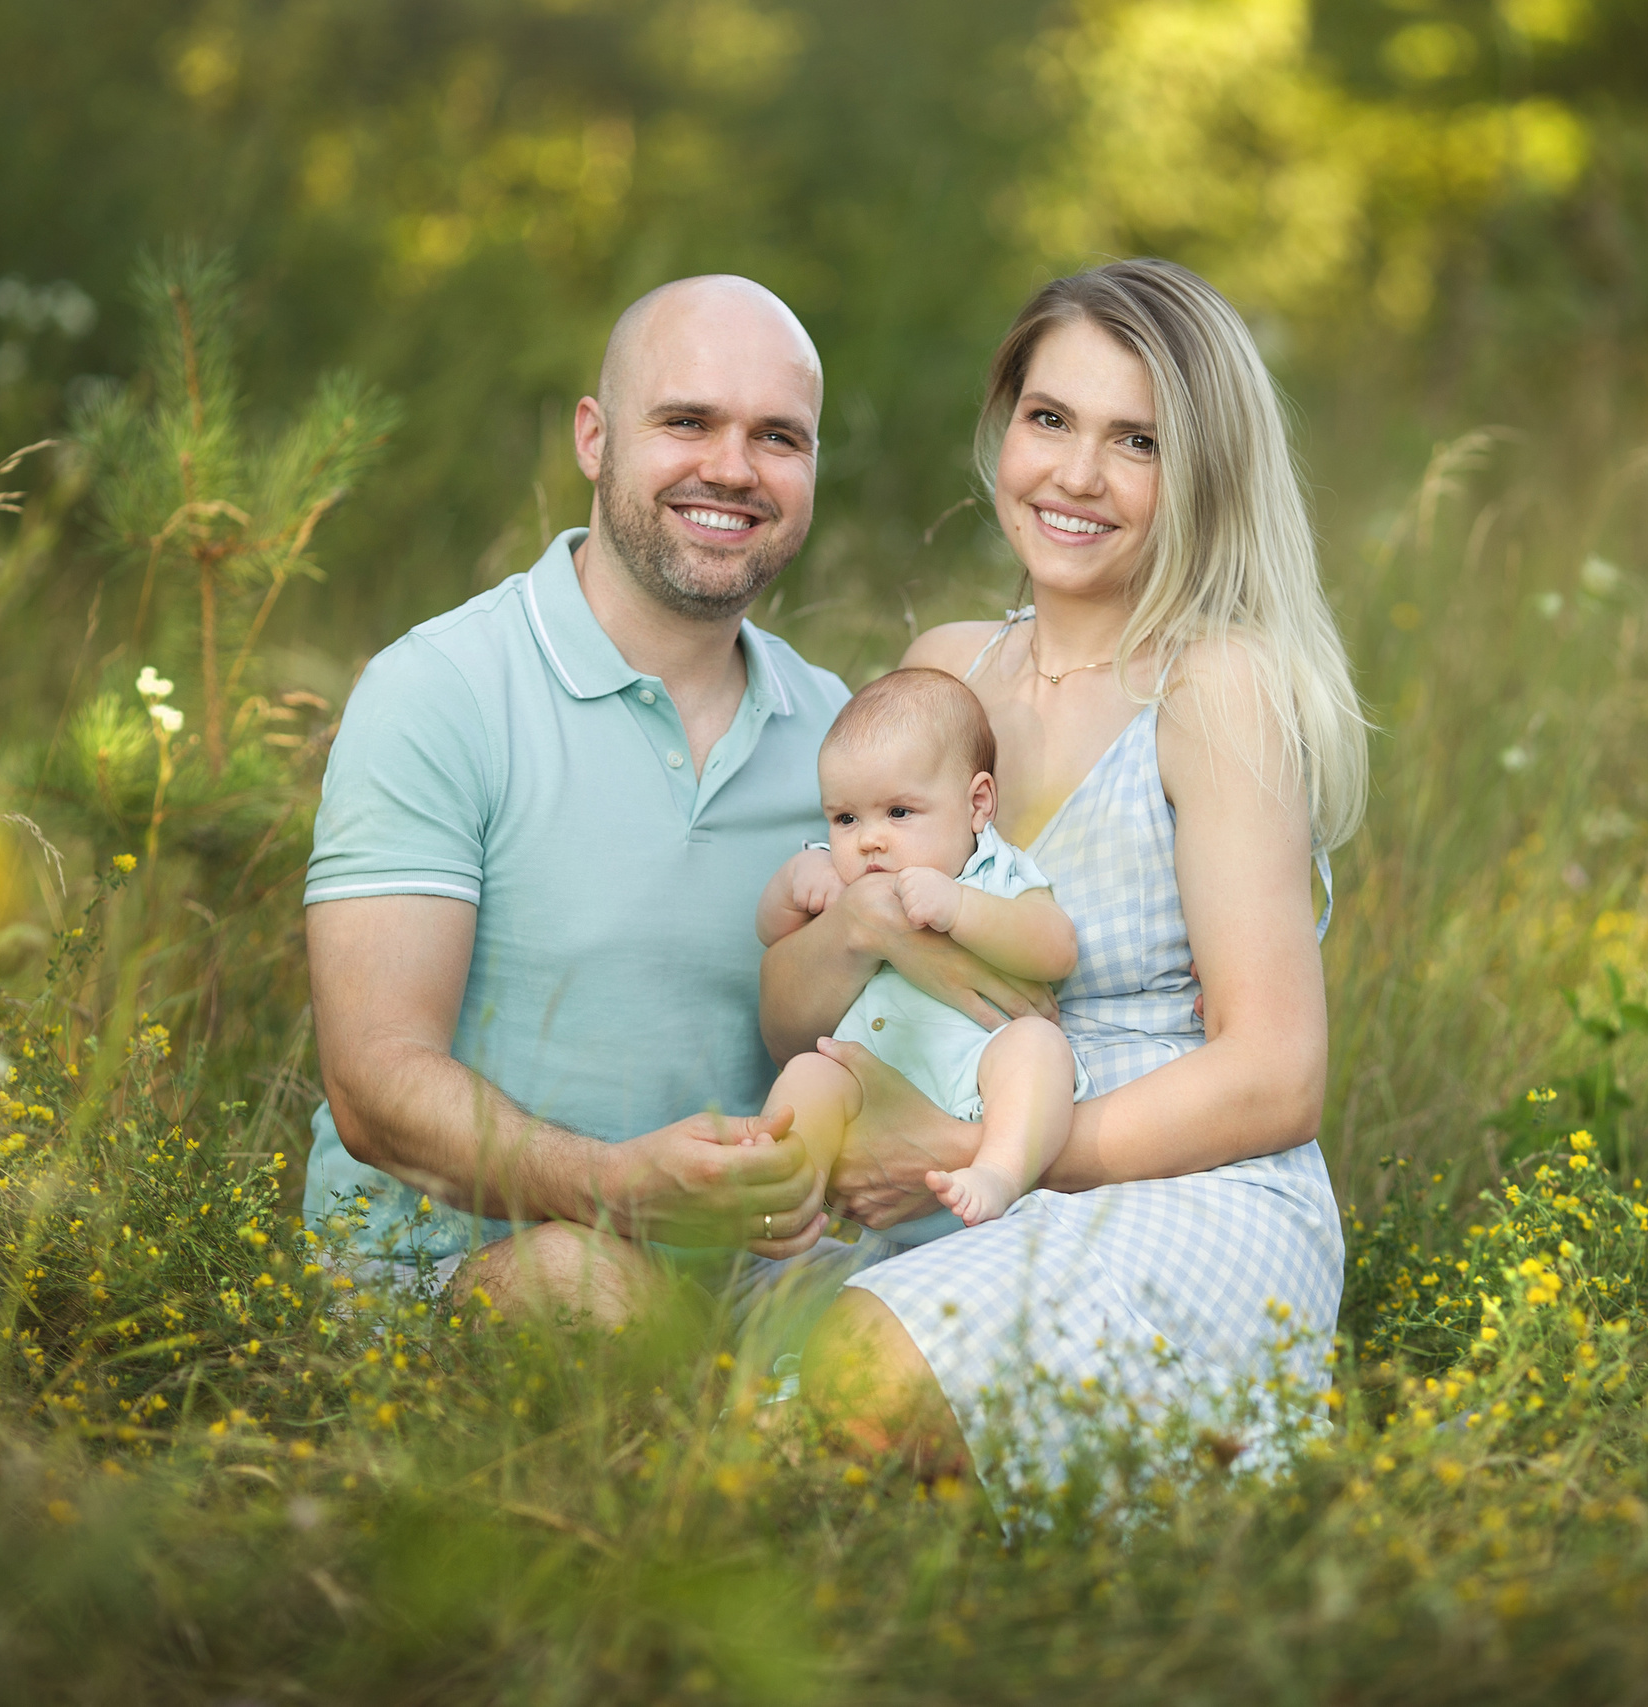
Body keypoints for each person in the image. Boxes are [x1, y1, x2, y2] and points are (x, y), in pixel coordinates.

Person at [760, 258, 1369, 1486]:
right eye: (1050, 420)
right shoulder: (945, 671)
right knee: (715, 1408)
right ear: (1005, 431)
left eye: (1135, 441)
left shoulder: (1214, 688)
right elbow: (787, 1000)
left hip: (1171, 1183)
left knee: (848, 1388)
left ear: (1199, 473)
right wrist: (867, 921)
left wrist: (965, 1146)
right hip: (944, 1170)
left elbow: (1275, 1078)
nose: (1076, 476)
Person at [302, 274, 886, 1322]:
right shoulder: (441, 688)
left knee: (981, 1336)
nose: (732, 469)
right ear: (593, 437)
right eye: (687, 422)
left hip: (745, 1280)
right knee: (596, 1295)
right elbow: (374, 1084)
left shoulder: (839, 734)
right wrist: (618, 1190)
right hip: (450, 1275)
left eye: (778, 438)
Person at [753, 668, 1090, 1232]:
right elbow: (772, 936)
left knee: (1036, 1046)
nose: (868, 839)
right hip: (865, 1080)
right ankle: (781, 1196)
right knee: (809, 1074)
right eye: (845, 818)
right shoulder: (842, 876)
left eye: (899, 813)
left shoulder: (992, 870)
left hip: (974, 1078)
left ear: (977, 805)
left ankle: (999, 1171)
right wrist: (791, 885)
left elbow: (1056, 947)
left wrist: (961, 908)